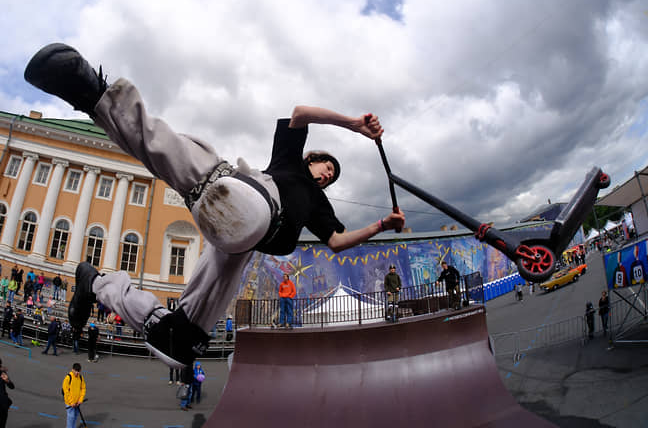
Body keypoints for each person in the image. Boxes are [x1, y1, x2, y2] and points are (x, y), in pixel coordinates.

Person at [25, 42, 405, 368]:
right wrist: (353, 124)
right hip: (248, 195)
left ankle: (99, 284)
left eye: (333, 176)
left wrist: (380, 227)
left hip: (239, 246)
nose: (327, 175)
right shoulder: (290, 160)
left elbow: (337, 241)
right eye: (327, 166)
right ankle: (90, 90)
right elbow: (300, 112)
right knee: (178, 157)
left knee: (178, 343)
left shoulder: (319, 206)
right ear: (313, 159)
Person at [62, 363, 87, 428]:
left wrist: (80, 400)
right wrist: (71, 402)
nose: (77, 373)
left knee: (75, 416)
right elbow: (66, 391)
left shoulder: (81, 377)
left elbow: (83, 388)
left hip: (77, 402)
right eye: (76, 371)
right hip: (70, 403)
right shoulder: (68, 378)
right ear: (72, 369)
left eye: (78, 371)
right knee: (71, 417)